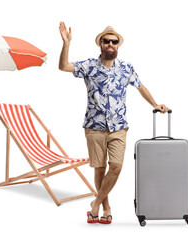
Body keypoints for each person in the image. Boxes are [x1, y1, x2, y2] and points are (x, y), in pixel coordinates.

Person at [58, 22, 169, 224]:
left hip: (119, 127)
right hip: (94, 126)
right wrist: (66, 43)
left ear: (118, 45)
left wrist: (155, 104)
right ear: (100, 44)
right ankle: (106, 207)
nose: (111, 44)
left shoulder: (126, 68)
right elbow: (64, 66)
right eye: (106, 41)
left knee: (116, 168)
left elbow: (140, 87)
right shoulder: (89, 66)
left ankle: (95, 204)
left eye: (114, 41)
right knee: (99, 170)